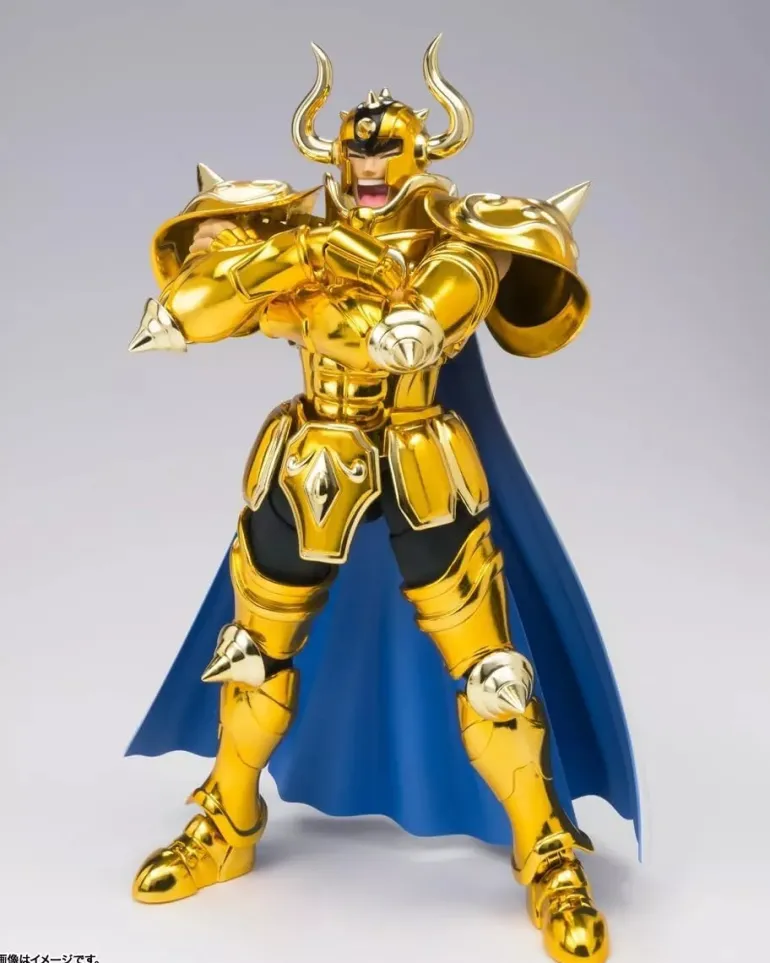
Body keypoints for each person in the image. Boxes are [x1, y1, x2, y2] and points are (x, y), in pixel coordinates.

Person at [126, 36, 640, 963]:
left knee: (492, 671)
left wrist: (361, 298)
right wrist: (258, 266)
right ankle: (227, 820)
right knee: (251, 652)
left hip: (417, 457)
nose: (367, 167)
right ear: (335, 156)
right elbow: (214, 303)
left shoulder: (457, 242)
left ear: (420, 153)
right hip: (311, 457)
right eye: (354, 152)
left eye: (385, 150)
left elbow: (436, 307)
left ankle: (546, 851)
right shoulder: (296, 237)